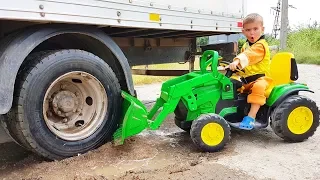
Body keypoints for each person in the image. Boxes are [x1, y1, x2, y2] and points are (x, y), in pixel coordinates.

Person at [227, 13, 273, 130]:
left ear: (262, 29)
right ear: (243, 31)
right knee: (229, 83)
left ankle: (251, 117)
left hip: (261, 78)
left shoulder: (261, 45)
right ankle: (232, 112)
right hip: (247, 79)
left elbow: (249, 56)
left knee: (258, 87)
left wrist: (237, 61)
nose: (252, 33)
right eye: (248, 30)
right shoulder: (246, 46)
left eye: (255, 29)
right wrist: (232, 67)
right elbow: (244, 59)